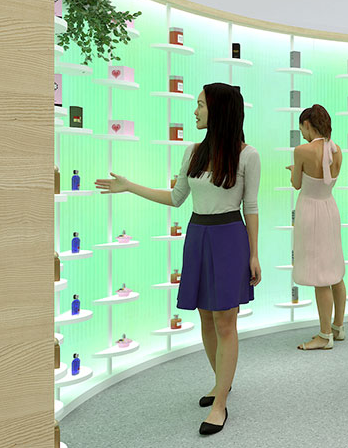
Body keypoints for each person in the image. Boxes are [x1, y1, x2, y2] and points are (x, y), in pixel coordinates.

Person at [95, 83, 260, 435]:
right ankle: (221, 382)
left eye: (200, 105)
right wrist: (130, 186)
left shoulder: (248, 155)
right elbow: (175, 198)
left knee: (226, 321)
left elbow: (252, 207)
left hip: (230, 237)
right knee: (206, 317)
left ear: (219, 110)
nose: (195, 111)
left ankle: (220, 403)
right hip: (198, 235)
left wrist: (255, 253)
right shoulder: (193, 152)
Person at [288, 104, 346, 350]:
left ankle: (324, 336)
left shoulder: (302, 150)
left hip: (311, 211)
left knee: (321, 275)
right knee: (334, 271)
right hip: (330, 209)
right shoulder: (337, 150)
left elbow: (297, 184)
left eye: (302, 128)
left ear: (307, 124)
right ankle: (337, 326)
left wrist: (294, 171)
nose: (302, 133)